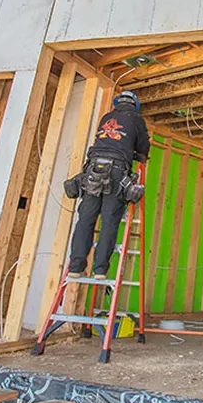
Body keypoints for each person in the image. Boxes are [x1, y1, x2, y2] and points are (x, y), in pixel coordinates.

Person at [65, 90, 149, 279]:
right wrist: (140, 156)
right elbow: (143, 146)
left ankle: (76, 267)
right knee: (109, 222)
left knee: (86, 219)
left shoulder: (107, 117)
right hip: (117, 172)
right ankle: (100, 269)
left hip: (93, 170)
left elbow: (108, 140)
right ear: (135, 105)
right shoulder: (136, 118)